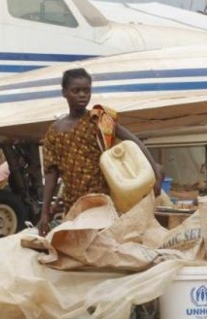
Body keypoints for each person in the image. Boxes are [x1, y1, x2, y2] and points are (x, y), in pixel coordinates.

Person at [38, 68, 160, 236]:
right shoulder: (54, 132)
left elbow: (133, 142)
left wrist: (155, 173)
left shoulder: (99, 120)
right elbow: (51, 173)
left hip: (103, 201)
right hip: (73, 205)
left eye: (86, 90)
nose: (82, 95)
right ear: (64, 93)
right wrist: (44, 213)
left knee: (103, 243)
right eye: (76, 91)